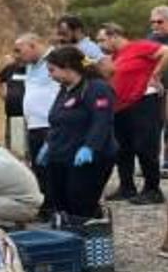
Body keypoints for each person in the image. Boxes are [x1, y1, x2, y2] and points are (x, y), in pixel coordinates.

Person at [36, 46, 117, 223]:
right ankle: (69, 240)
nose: (50, 75)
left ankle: (87, 241)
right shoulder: (66, 89)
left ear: (67, 67)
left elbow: (102, 121)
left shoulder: (96, 88)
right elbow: (57, 120)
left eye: (52, 70)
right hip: (62, 155)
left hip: (88, 158)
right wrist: (49, 144)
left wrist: (90, 147)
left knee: (80, 204)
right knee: (60, 203)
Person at [96, 23, 168, 204]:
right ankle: (127, 187)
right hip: (121, 107)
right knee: (122, 149)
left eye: (102, 39)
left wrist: (156, 75)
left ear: (114, 35)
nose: (99, 44)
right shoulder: (115, 57)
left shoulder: (139, 46)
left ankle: (152, 189)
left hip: (142, 101)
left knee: (145, 146)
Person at [15, 33, 57, 215]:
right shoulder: (30, 66)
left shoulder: (54, 59)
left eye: (19, 50)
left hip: (50, 125)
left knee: (52, 168)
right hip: (34, 125)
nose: (17, 54)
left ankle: (56, 206)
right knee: (39, 168)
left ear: (33, 45)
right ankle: (46, 206)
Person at [148, 6, 168, 175]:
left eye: (159, 21)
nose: (155, 25)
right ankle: (154, 164)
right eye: (152, 22)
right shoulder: (151, 39)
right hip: (154, 89)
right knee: (154, 126)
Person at [0, 55, 28, 157]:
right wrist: (5, 96)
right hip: (15, 115)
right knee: (17, 151)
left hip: (33, 118)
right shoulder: (10, 68)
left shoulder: (35, 69)